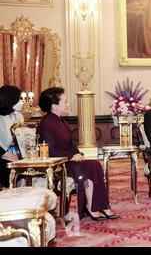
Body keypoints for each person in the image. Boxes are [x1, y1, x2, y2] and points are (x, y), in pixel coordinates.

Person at [37, 87, 119, 221]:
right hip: (58, 164)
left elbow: (71, 145)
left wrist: (78, 154)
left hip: (68, 160)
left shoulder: (61, 121)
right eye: (65, 102)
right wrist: (71, 157)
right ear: (54, 106)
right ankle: (92, 207)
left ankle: (100, 206)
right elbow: (48, 150)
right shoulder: (46, 123)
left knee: (94, 165)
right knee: (89, 168)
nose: (68, 104)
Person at [0, 86, 23, 188]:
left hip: (19, 154)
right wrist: (11, 157)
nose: (21, 101)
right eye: (19, 99)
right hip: (3, 156)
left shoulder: (19, 116)